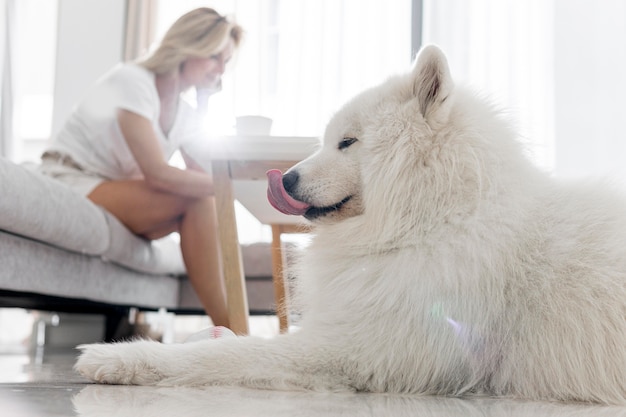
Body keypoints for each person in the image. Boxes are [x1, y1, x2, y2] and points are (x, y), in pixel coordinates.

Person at [39, 8, 243, 328]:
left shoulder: (185, 113)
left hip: (116, 189)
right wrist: (234, 186)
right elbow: (158, 174)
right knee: (201, 198)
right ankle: (232, 329)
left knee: (206, 200)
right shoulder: (132, 80)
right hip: (73, 177)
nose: (220, 70)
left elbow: (203, 178)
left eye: (226, 62)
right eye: (215, 57)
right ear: (190, 47)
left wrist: (205, 104)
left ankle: (231, 327)